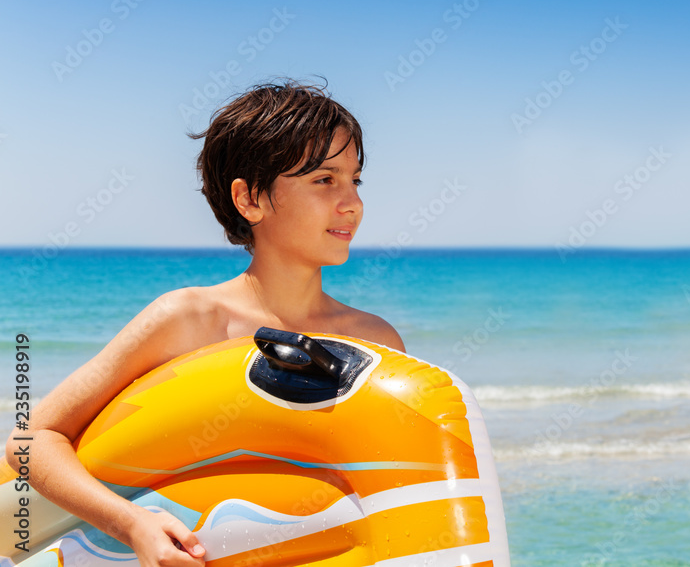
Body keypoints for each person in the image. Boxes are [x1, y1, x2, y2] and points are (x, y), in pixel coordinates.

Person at [4, 79, 405, 567]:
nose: (352, 203)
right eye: (325, 180)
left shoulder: (375, 341)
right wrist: (130, 523)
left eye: (355, 180)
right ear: (250, 199)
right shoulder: (189, 321)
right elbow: (31, 441)